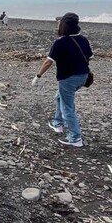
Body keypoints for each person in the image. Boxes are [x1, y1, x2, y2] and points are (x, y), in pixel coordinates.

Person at [31, 12, 92, 147]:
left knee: (68, 107)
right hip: (83, 76)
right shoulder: (84, 39)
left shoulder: (60, 42)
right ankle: (57, 123)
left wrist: (38, 76)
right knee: (59, 97)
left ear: (64, 25)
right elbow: (89, 58)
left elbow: (48, 62)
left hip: (68, 79)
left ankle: (75, 138)